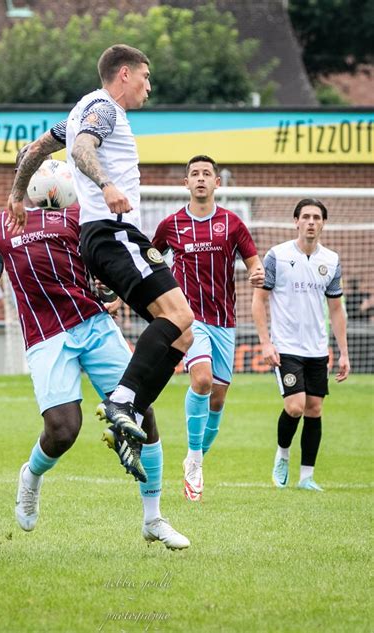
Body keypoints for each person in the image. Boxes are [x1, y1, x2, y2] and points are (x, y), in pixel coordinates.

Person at [0, 152, 189, 550]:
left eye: (45, 164)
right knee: (63, 431)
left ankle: (153, 519)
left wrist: (110, 288)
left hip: (94, 326)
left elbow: (106, 271)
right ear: (20, 179)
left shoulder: (79, 216)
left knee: (140, 411)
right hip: (46, 338)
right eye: (29, 167)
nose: (41, 172)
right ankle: (31, 476)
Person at [7, 44, 194, 469]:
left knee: (182, 335)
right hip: (112, 232)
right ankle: (123, 402)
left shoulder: (76, 113)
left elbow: (37, 150)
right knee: (181, 319)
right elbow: (82, 151)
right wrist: (108, 185)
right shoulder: (103, 108)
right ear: (124, 74)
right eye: (146, 76)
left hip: (103, 239)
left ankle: (124, 414)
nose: (149, 85)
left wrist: (17, 195)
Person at [152, 155, 265, 501]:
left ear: (218, 183)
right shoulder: (171, 225)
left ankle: (194, 457)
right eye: (194, 174)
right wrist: (121, 298)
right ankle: (196, 461)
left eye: (207, 174)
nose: (200, 178)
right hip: (188, 319)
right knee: (200, 380)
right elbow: (149, 264)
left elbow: (253, 262)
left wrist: (257, 273)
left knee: (217, 398)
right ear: (185, 183)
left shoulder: (232, 224)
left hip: (224, 321)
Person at [252, 198, 350, 492]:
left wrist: (343, 351)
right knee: (295, 407)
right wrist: (266, 343)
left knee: (315, 409)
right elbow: (259, 300)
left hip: (317, 349)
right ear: (295, 221)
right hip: (286, 347)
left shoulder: (331, 260)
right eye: (305, 216)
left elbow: (335, 309)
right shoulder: (277, 256)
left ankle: (307, 477)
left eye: (316, 217)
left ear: (323, 223)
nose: (310, 222)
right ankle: (282, 455)